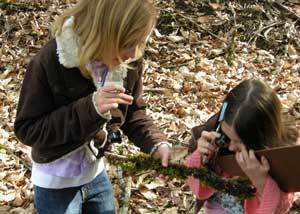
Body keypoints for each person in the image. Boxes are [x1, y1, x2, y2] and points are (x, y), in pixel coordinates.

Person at [14, 0, 171, 213]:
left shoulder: (128, 62)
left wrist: (156, 144)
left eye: (140, 42)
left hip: (95, 175)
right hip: (56, 184)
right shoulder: (51, 60)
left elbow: (133, 112)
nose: (133, 53)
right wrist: (90, 109)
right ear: (103, 32)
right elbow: (28, 129)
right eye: (127, 44)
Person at [185, 79, 299, 214]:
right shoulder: (217, 134)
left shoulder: (283, 151)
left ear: (262, 137)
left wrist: (261, 182)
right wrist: (201, 157)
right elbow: (198, 188)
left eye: (239, 141)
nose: (231, 147)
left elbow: (280, 208)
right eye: (227, 137)